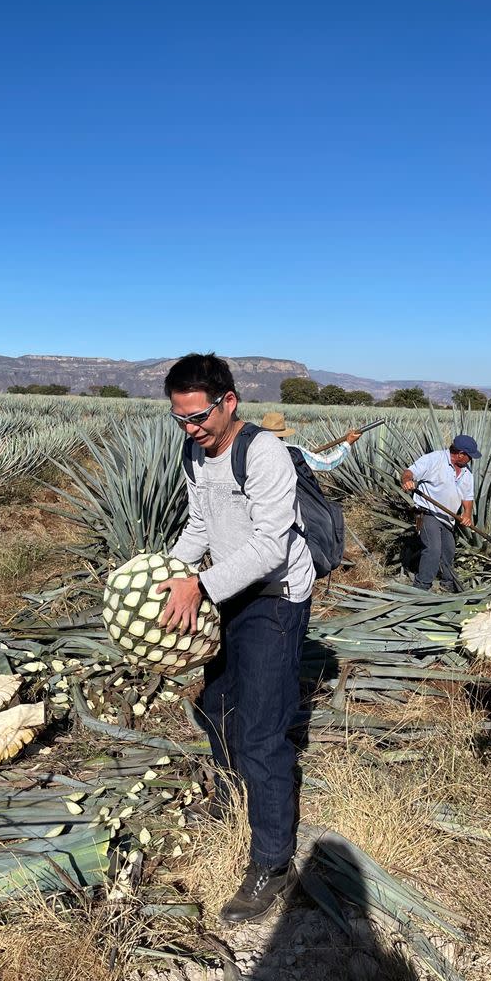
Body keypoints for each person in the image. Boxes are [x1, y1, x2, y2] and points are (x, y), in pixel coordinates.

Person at [157, 353, 314, 924]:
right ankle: (231, 799)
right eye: (180, 419)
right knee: (219, 704)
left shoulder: (263, 453)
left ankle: (273, 863)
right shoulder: (193, 451)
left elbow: (273, 546)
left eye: (198, 417)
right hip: (225, 588)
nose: (190, 428)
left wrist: (198, 585)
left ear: (229, 403)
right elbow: (199, 525)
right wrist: (163, 573)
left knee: (262, 730)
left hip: (274, 595)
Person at [400, 435, 481, 591]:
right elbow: (409, 472)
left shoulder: (466, 472)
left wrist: (467, 514)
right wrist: (407, 481)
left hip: (447, 518)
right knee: (433, 548)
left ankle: (447, 584)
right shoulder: (434, 459)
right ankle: (421, 587)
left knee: (448, 550)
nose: (470, 459)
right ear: (460, 454)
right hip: (427, 512)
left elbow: (468, 497)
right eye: (469, 456)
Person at [260, 411, 361, 470]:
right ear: (283, 433)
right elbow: (326, 463)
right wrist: (348, 443)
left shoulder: (250, 448)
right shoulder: (293, 451)